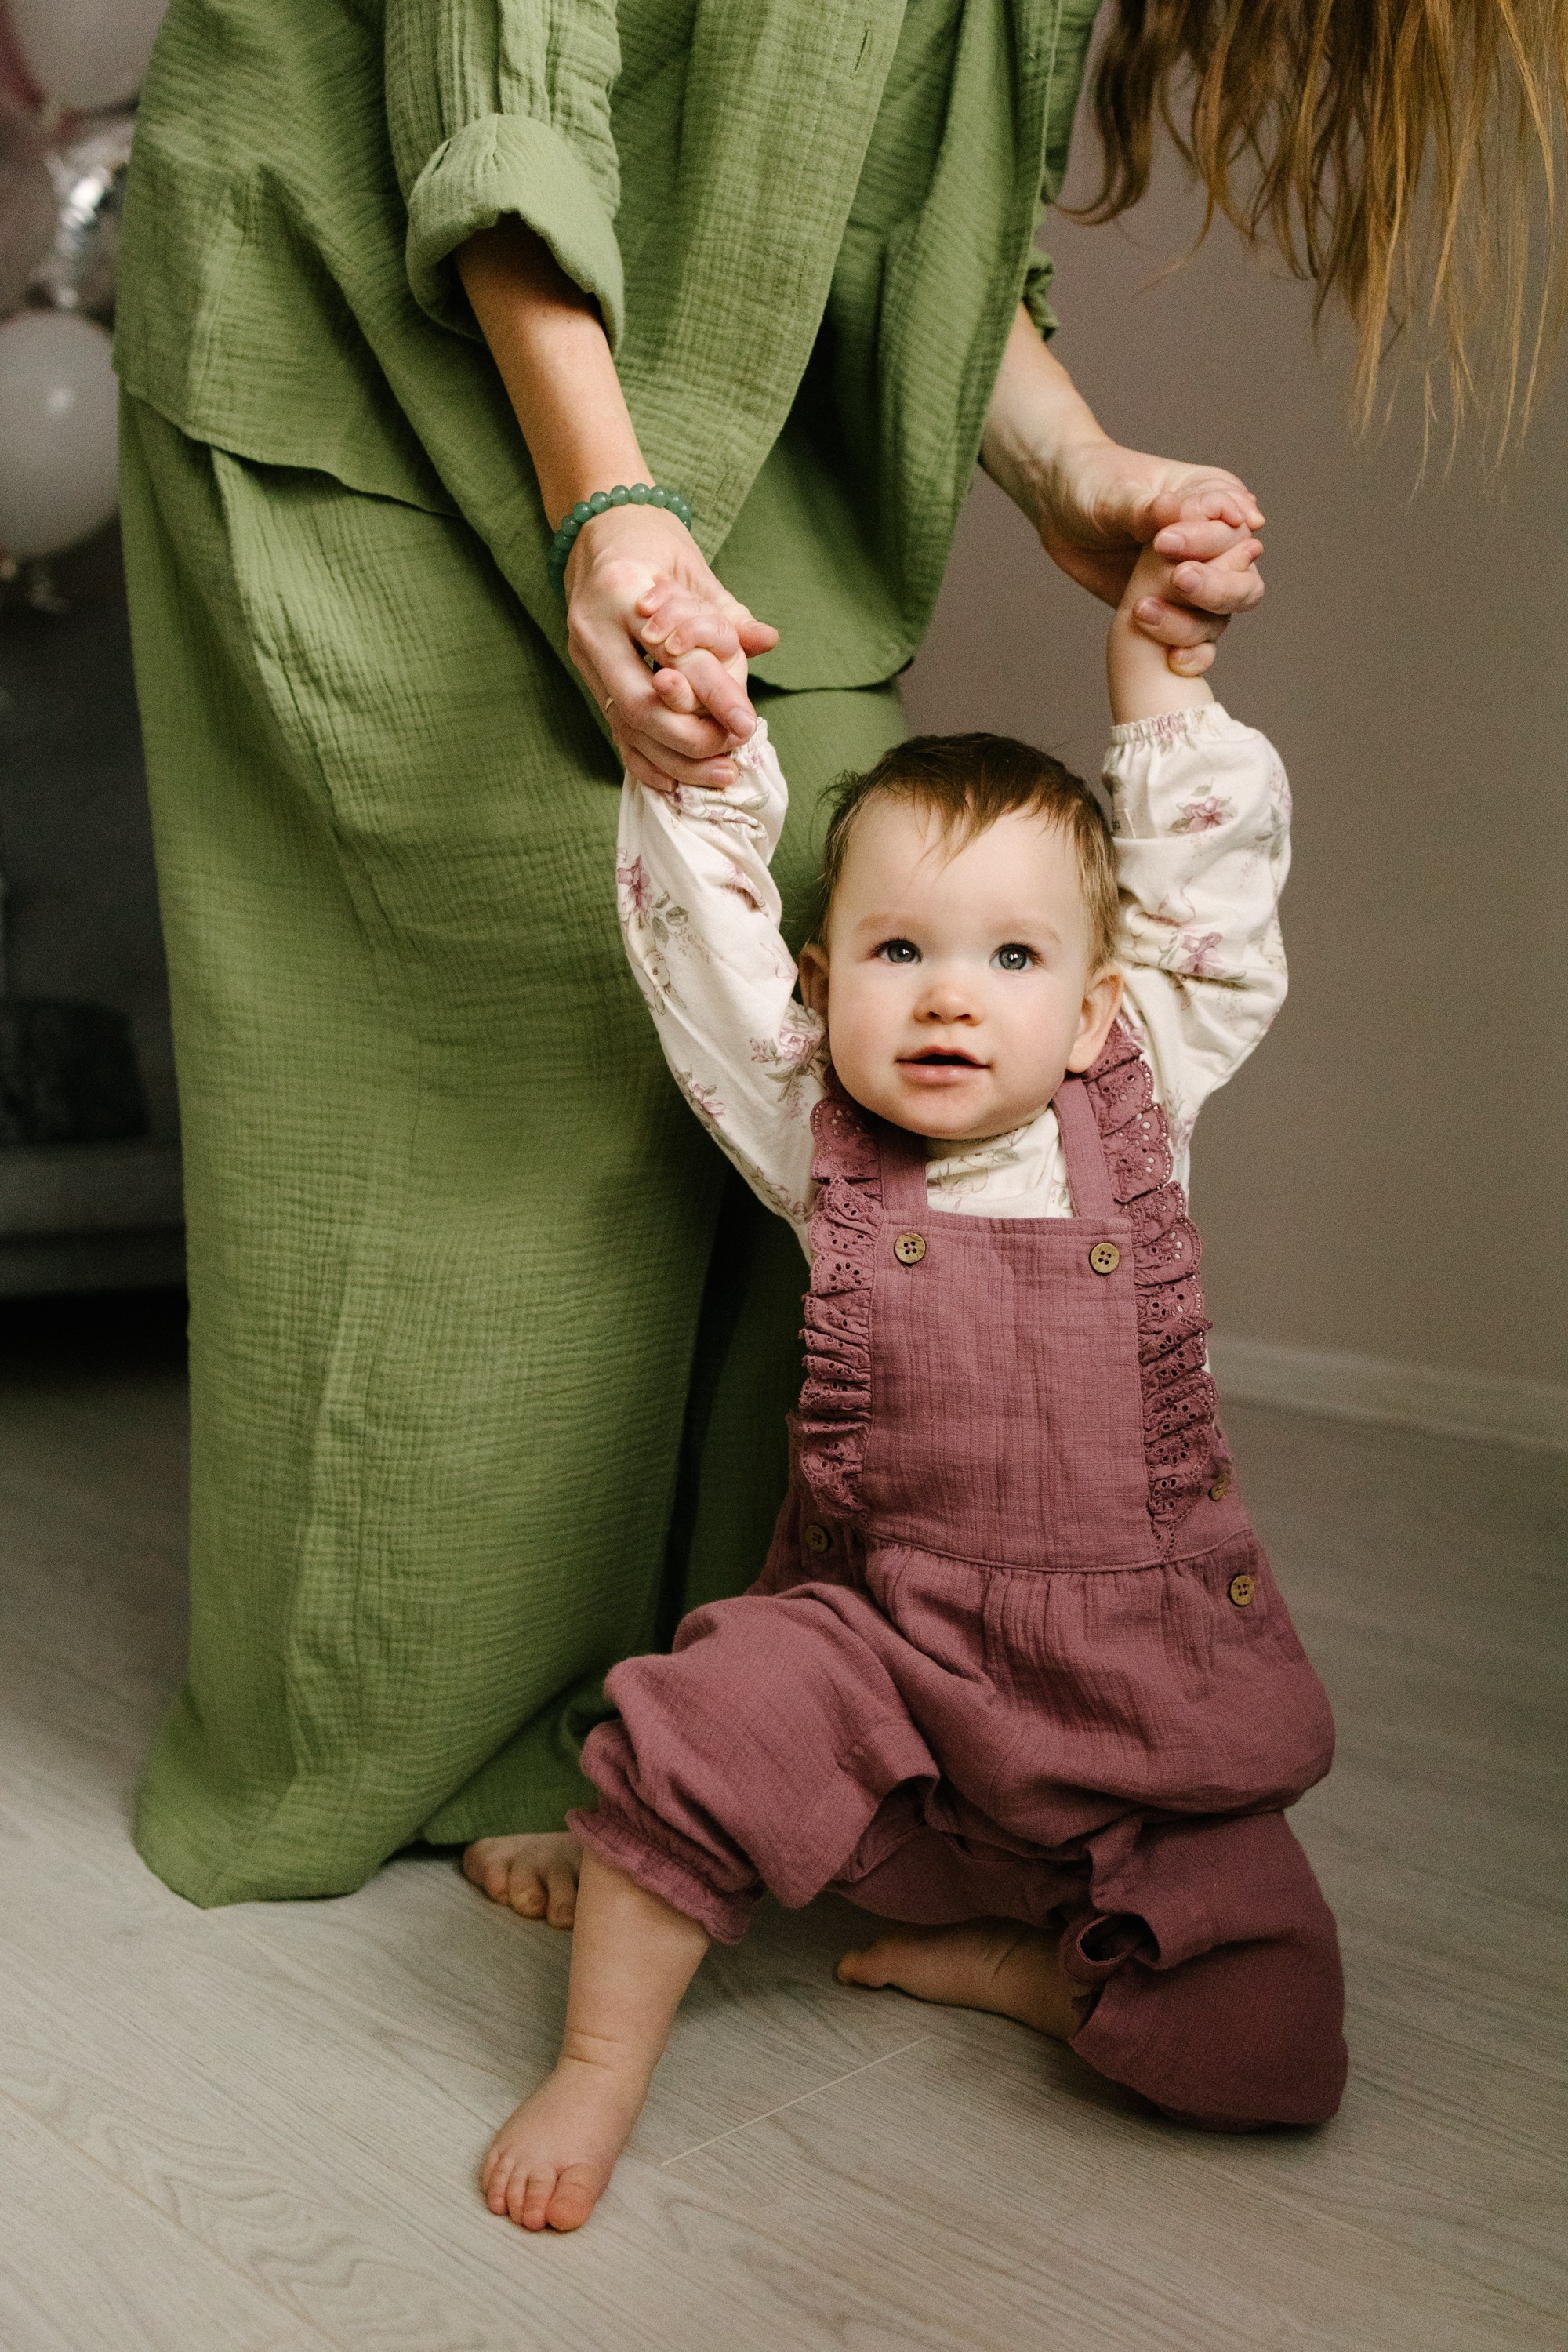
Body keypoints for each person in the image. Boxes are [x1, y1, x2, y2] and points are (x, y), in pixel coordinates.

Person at [115, 0, 1272, 1909]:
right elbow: (496, 98)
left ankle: (720, 1716)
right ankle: (442, 1727)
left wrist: (1073, 469)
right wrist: (605, 505)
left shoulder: (1129, 1053)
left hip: (744, 401)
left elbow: (890, 193)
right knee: (530, 995)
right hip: (380, 319)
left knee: (823, 940)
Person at [478, 528, 1344, 2234]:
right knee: (700, 1733)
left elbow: (1215, 905)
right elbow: (699, 950)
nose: (950, 996)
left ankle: (1030, 1970)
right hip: (879, 1642)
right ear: (823, 984)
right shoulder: (817, 1134)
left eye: (1010, 960)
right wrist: (712, 769)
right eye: (897, 953)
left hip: (1134, 1685)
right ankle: (601, 2046)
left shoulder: (1137, 1093)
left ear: (1097, 1006)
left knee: (1271, 2044)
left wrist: (1161, 680)